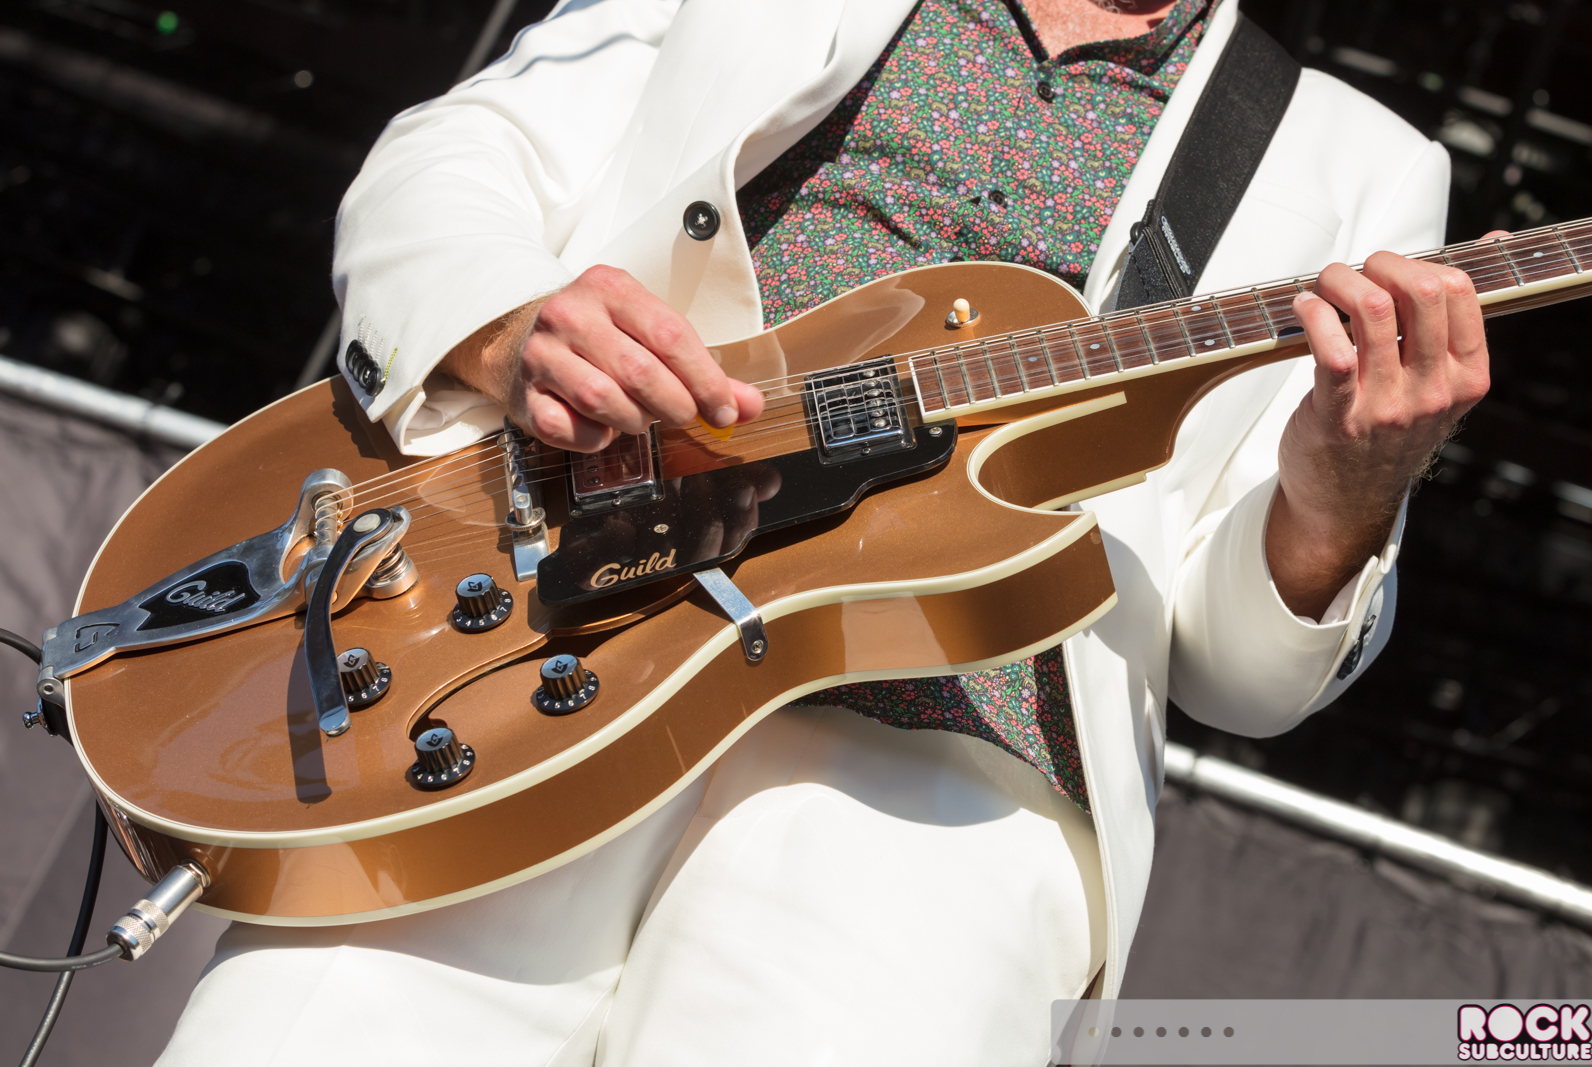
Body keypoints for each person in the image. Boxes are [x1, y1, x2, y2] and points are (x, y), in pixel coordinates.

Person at [156, 0, 1490, 1063]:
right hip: (545, 641)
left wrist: (1346, 489)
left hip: (949, 760)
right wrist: (509, 326)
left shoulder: (1359, 161)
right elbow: (458, 157)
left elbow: (1236, 667)